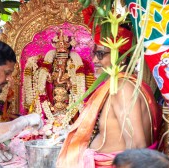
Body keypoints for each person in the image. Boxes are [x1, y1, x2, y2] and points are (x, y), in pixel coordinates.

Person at [56, 26, 162, 167]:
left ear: (122, 58)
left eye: (101, 54)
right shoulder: (127, 83)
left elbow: (138, 146)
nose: (94, 60)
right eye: (94, 53)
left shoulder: (123, 88)